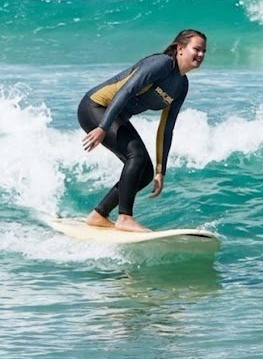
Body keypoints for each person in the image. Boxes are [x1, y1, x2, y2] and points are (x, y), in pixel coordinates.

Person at [77, 29, 208, 232]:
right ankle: (124, 217)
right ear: (180, 49)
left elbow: (166, 128)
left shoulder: (181, 85)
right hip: (95, 107)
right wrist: (103, 127)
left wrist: (160, 170)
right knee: (135, 155)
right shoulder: (162, 63)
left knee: (145, 172)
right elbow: (126, 90)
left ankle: (99, 214)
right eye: (196, 49)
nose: (200, 55)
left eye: (203, 51)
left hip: (113, 116)